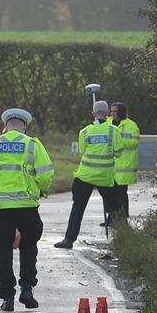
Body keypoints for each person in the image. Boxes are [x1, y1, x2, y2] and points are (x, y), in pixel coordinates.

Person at [0, 107, 55, 312]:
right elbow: (46, 173)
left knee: (3, 251)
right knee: (29, 247)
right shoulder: (33, 145)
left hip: (2, 207)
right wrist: (42, 191)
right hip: (28, 206)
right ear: (24, 126)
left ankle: (7, 297)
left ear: (6, 126)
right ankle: (27, 288)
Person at [54, 100, 117, 249]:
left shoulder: (84, 132)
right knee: (114, 208)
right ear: (108, 114)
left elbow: (82, 150)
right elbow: (119, 151)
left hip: (85, 176)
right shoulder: (113, 131)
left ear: (93, 114)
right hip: (104, 177)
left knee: (78, 208)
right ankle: (121, 238)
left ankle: (68, 240)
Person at [110, 102, 141, 221]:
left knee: (121, 193)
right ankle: (111, 218)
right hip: (112, 165)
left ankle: (123, 215)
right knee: (111, 194)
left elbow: (134, 143)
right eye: (111, 111)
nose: (111, 114)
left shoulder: (131, 125)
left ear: (121, 112)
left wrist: (119, 141)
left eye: (114, 112)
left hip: (124, 165)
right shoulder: (109, 123)